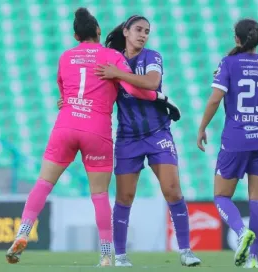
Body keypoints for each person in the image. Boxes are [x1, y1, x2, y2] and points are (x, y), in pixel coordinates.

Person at [5, 8, 180, 267]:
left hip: (65, 127)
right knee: (99, 195)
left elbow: (63, 94)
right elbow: (134, 89)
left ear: (76, 35)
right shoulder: (111, 57)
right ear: (98, 31)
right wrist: (162, 99)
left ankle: (22, 232)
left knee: (43, 184)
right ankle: (107, 254)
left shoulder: (65, 57)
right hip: (96, 131)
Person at [70, 14, 200, 267]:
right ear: (126, 32)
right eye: (138, 29)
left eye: (147, 31)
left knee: (172, 189)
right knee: (125, 196)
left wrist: (119, 74)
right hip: (128, 137)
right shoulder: (112, 59)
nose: (143, 34)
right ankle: (120, 255)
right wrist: (68, 101)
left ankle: (185, 251)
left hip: (157, 133)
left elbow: (151, 83)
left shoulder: (151, 57)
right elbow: (91, 88)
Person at [197, 18, 258, 269]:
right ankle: (254, 259)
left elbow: (215, 100)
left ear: (236, 39)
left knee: (221, 196)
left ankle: (240, 232)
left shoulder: (228, 63)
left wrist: (202, 127)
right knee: (257, 200)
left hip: (236, 139)